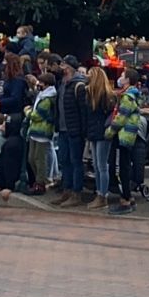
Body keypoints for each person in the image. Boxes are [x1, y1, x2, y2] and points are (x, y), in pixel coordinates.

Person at [51, 55, 88, 208]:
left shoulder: (78, 85)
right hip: (63, 128)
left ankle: (76, 192)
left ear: (69, 68)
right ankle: (67, 189)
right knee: (64, 160)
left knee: (75, 161)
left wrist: (83, 131)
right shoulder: (63, 84)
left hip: (74, 130)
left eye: (64, 65)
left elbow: (83, 111)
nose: (61, 68)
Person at [105, 68, 142, 215]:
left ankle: (125, 199)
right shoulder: (132, 95)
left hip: (122, 136)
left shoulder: (127, 97)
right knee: (125, 166)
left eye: (122, 76)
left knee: (121, 169)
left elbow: (121, 118)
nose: (120, 78)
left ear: (127, 80)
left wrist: (110, 131)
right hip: (127, 136)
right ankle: (128, 197)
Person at [85, 66, 116, 211]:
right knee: (98, 165)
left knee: (101, 165)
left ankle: (102, 195)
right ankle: (100, 193)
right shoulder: (97, 94)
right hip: (97, 132)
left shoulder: (103, 95)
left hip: (101, 133)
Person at [27, 72, 57, 194]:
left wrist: (27, 112)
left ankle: (41, 183)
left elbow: (38, 115)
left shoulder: (48, 98)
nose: (39, 84)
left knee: (39, 159)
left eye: (41, 82)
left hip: (43, 131)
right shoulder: (41, 95)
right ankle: (39, 181)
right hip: (35, 131)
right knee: (31, 158)